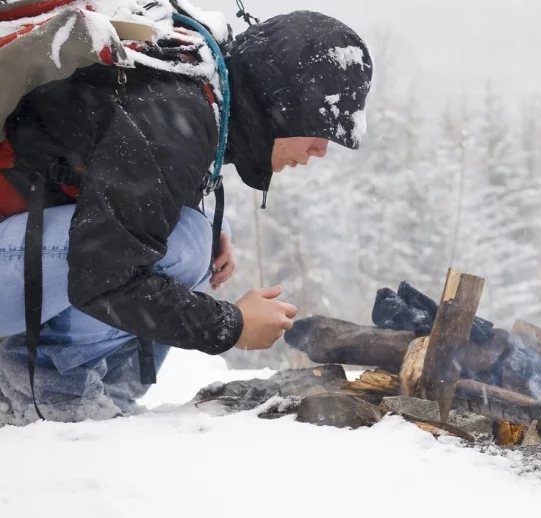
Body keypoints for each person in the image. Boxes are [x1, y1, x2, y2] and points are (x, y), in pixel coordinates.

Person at [0, 9, 373, 424]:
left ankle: (108, 397)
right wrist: (231, 325)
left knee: (195, 240)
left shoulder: (197, 88)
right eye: (320, 127)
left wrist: (210, 226)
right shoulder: (176, 112)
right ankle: (38, 391)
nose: (321, 150)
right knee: (179, 250)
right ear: (283, 102)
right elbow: (104, 277)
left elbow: (131, 194)